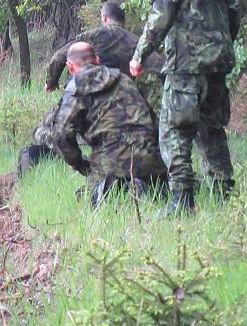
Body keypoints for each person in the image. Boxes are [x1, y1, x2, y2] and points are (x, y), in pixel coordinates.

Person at [130, 0, 240, 216]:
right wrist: (222, 45)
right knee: (213, 130)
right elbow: (233, 13)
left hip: (185, 65)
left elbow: (160, 16)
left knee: (174, 130)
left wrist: (140, 56)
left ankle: (182, 201)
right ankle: (223, 198)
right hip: (217, 62)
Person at [52, 43, 166, 208]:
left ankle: (123, 190)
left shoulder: (76, 88)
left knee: (88, 199)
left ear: (70, 68)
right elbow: (152, 120)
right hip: (151, 155)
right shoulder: (125, 79)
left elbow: (61, 135)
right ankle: (144, 187)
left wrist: (78, 164)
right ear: (97, 60)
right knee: (159, 191)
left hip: (111, 160)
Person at [45, 0, 164, 92]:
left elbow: (59, 57)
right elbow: (161, 65)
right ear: (122, 20)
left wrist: (51, 81)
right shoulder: (135, 41)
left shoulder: (90, 36)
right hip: (123, 97)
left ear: (105, 17)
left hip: (88, 93)